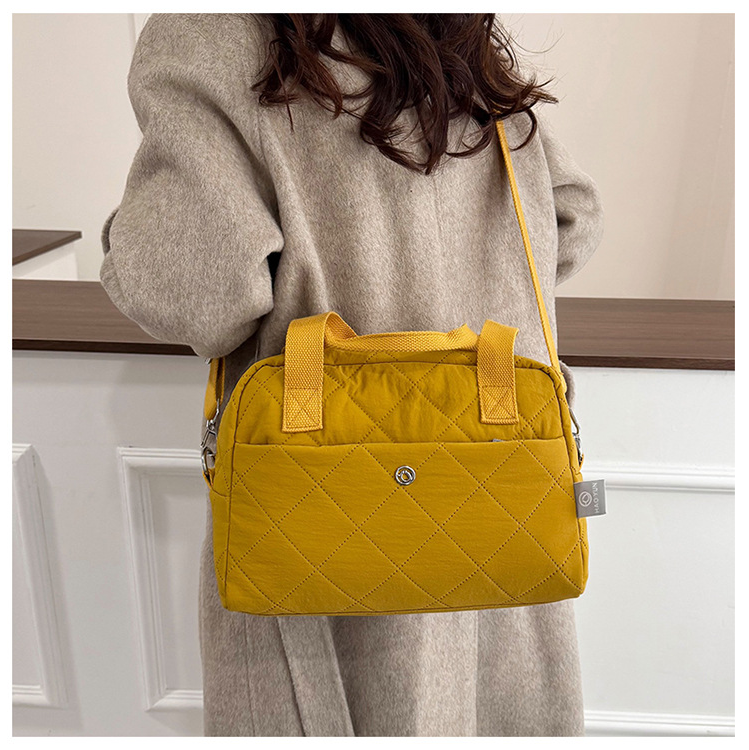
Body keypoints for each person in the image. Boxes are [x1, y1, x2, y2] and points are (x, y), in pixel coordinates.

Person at [100, 13, 604, 737]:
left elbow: (197, 294)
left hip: (316, 521)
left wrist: (127, 232)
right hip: (498, 509)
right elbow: (572, 214)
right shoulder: (450, 31)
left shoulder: (210, 34)